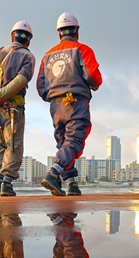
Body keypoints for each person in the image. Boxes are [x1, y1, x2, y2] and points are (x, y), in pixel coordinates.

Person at [37, 12, 102, 196]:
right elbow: (92, 76)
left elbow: (40, 86)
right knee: (74, 139)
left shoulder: (47, 55)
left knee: (64, 142)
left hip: (56, 105)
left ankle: (71, 183)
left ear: (59, 33)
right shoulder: (83, 50)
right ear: (76, 31)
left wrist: (52, 97)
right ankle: (54, 173)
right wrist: (94, 86)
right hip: (76, 101)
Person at [0, 21, 36, 197]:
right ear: (28, 40)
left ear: (12, 36)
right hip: (14, 108)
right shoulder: (28, 57)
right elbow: (21, 80)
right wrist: (0, 95)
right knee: (13, 146)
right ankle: (6, 183)